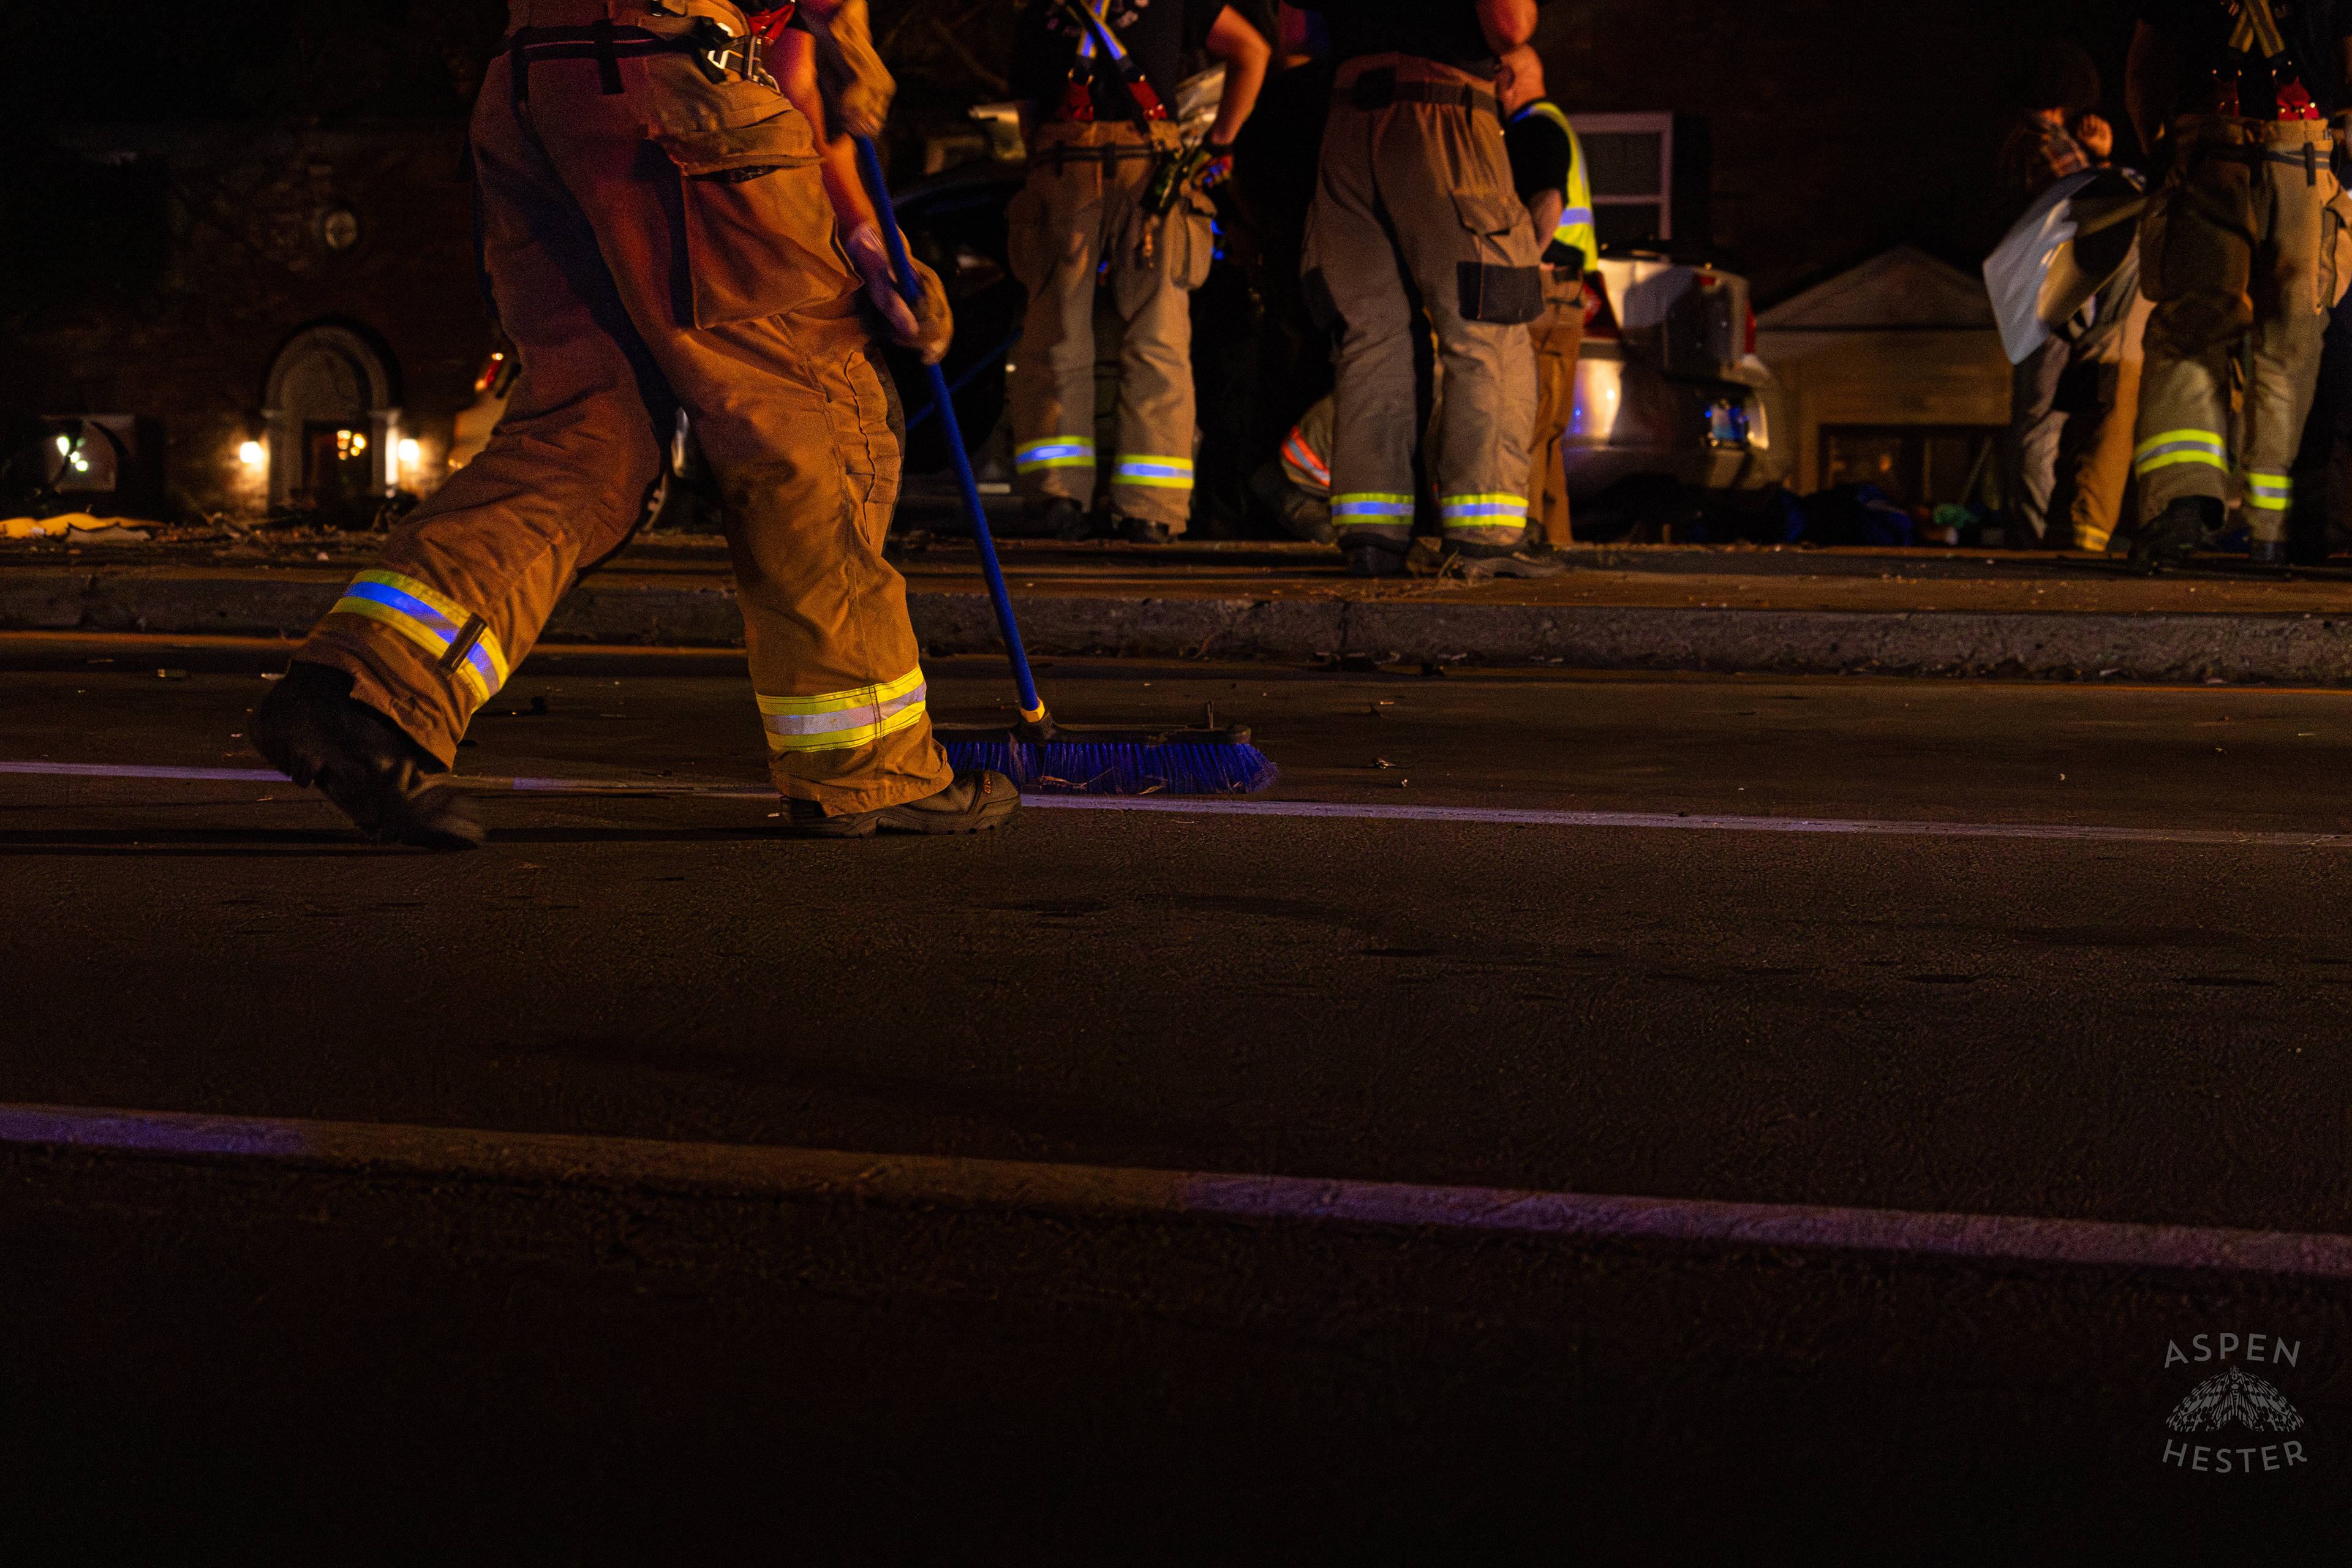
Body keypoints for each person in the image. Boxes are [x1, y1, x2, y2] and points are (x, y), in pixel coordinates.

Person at [252, 0, 1019, 846]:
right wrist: (868, 223)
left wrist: (870, 233)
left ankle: (364, 693)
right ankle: (867, 770)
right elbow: (800, 69)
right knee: (810, 422)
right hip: (680, 80)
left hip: (538, 82)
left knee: (591, 438)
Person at [1287, 0, 1562, 579]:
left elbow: (1293, 29)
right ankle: (1484, 538)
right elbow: (1509, 23)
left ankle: (1372, 535)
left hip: (1344, 125)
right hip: (1443, 113)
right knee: (1490, 328)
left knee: (1371, 338)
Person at [1005, 0, 1271, 544]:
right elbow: (1253, 50)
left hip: (1068, 169)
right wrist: (1220, 141)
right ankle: (1151, 509)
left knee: (1058, 341)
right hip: (1152, 171)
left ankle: (1059, 499)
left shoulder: (1039, 12)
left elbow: (1030, 117)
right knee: (1159, 341)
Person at [2125, 0, 2352, 567]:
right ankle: (2273, 529)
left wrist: (2159, 147)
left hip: (2209, 152)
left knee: (2193, 332)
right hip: (2303, 159)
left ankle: (2182, 504)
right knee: (2292, 346)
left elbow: (2144, 65)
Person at [1991, 40, 2150, 554]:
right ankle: (2035, 530)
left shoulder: (2021, 138)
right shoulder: (2047, 143)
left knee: (2037, 415)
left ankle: (2033, 523)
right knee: (2045, 417)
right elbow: (2086, 207)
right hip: (2057, 295)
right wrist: (2105, 163)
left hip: (2030, 291)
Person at [1498, 45, 1596, 549]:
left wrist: (1526, 262)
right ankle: (1551, 543)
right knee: (1548, 432)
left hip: (1545, 290)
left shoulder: (1532, 128)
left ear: (1507, 77)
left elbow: (1548, 200)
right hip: (1565, 294)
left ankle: (1523, 537)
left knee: (1526, 423)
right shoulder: (1555, 125)